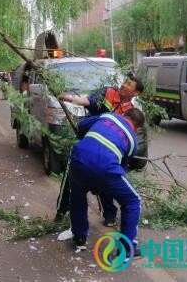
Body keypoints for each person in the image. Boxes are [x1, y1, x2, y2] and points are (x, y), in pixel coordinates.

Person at [55, 76, 145, 226]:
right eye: (124, 82)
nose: (123, 85)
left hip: (107, 151)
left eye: (129, 85)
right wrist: (68, 98)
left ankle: (109, 215)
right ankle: (61, 211)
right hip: (88, 142)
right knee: (71, 179)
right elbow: (88, 101)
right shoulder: (108, 92)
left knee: (107, 177)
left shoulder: (130, 112)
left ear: (136, 93)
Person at [69, 108, 145, 254]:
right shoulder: (133, 142)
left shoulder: (108, 116)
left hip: (78, 159)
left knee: (77, 196)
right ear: (137, 128)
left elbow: (81, 126)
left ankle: (79, 238)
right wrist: (101, 185)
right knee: (132, 200)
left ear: (124, 115)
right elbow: (120, 169)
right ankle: (127, 248)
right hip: (105, 167)